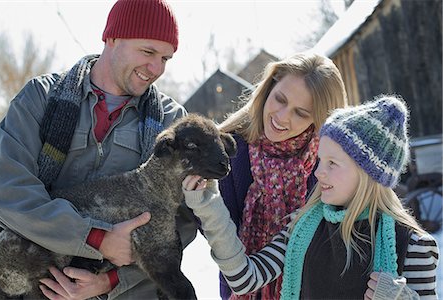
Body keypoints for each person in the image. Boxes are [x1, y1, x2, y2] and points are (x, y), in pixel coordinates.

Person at [0, 0, 197, 299]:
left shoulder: (172, 122)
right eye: (148, 52)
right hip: (31, 285)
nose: (156, 69)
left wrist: (112, 280)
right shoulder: (40, 98)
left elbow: (182, 222)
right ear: (112, 38)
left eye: (166, 58)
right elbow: (7, 188)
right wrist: (93, 238)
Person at [183, 95, 440, 299]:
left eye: (332, 163)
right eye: (320, 160)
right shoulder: (303, 224)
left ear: (368, 173)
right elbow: (243, 279)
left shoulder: (412, 245)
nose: (319, 172)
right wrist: (209, 205)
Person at [215, 52, 347, 299]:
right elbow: (220, 234)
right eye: (280, 99)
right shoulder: (230, 151)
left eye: (301, 112)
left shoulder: (329, 161)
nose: (283, 117)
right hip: (242, 288)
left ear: (319, 118)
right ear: (270, 85)